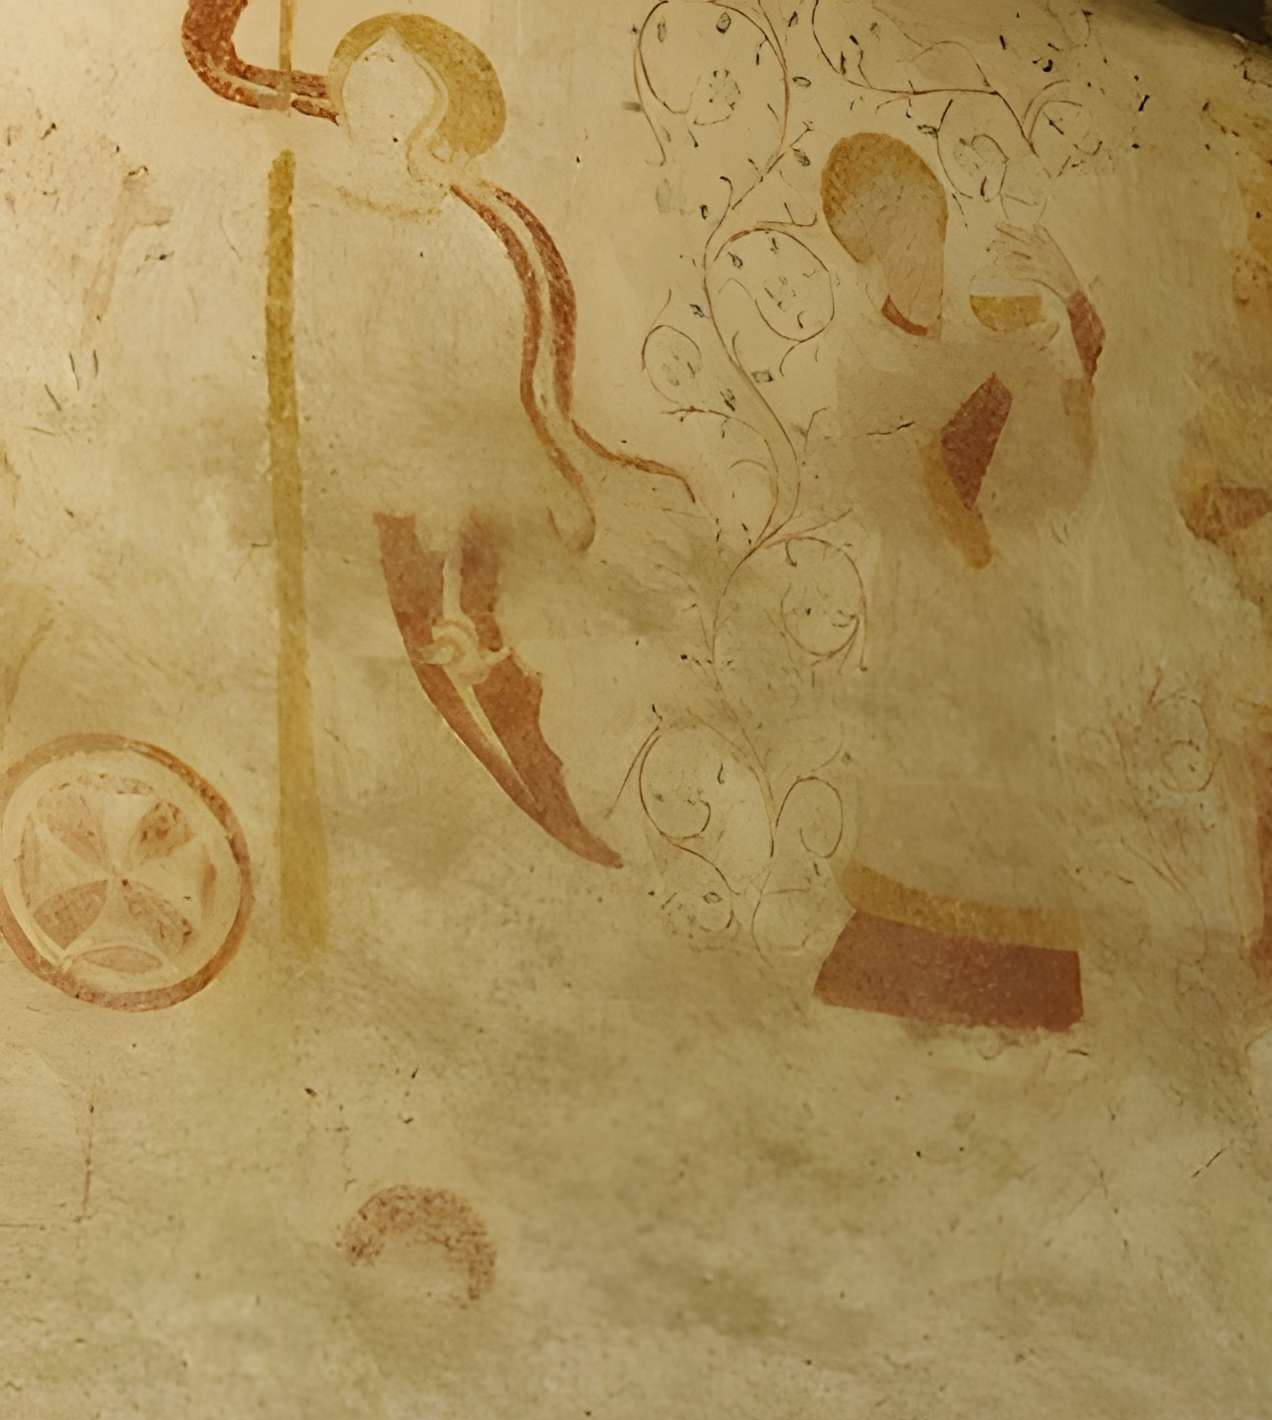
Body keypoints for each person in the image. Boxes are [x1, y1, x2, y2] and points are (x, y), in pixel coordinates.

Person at [183, 1, 689, 868]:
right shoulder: (292, 202)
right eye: (365, 76)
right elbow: (214, 56)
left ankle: (551, 797)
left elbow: (496, 397)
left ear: (440, 115)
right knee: (400, 678)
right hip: (336, 485)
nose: (375, 99)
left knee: (462, 657)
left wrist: (507, 504)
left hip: (437, 489)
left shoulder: (467, 238)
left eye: (399, 85)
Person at [804, 131, 1105, 1034]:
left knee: (1013, 784)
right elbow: (911, 486)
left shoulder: (995, 333)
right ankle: (909, 975)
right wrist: (1001, 385)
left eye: (918, 230)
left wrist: (1075, 305)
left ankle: (1022, 982)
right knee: (927, 784)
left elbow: (1065, 472)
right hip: (930, 613)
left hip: (1009, 613)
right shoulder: (865, 360)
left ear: (938, 222)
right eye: (883, 241)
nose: (911, 257)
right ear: (864, 256)